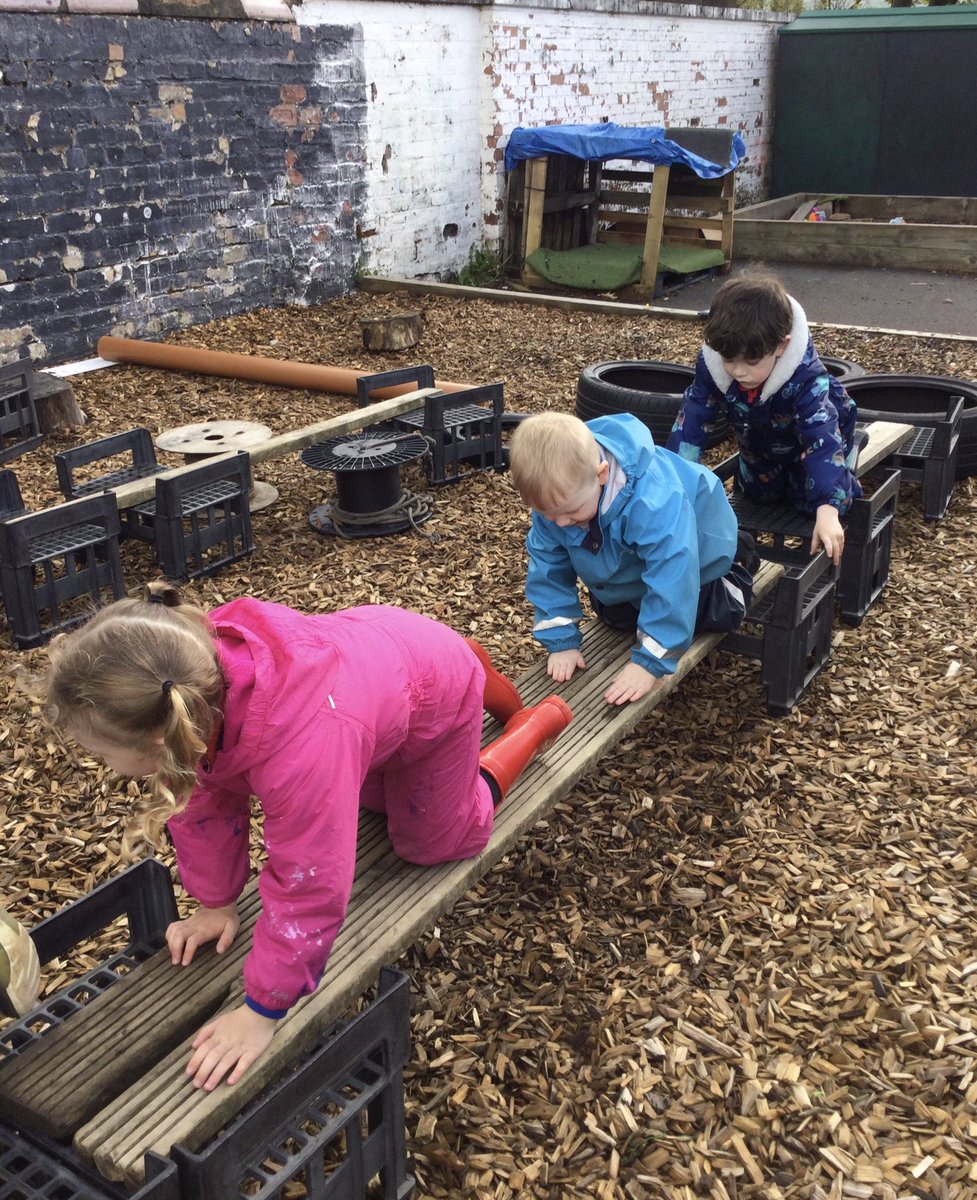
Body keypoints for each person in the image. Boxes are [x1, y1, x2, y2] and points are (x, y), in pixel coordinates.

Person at [44, 583, 572, 1090]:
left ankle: (531, 721)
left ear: (157, 738)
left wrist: (263, 1008)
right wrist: (215, 903)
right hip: (378, 658)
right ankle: (451, 650)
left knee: (433, 839)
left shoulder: (302, 750)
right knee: (363, 799)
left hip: (431, 694)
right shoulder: (190, 683)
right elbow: (203, 802)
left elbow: (310, 882)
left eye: (103, 753)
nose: (104, 764)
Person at [508, 411, 752, 706]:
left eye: (570, 513)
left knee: (713, 612)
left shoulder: (654, 500)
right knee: (614, 616)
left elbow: (673, 571)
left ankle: (740, 560)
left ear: (602, 475)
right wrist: (561, 641)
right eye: (548, 514)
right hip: (627, 567)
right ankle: (637, 602)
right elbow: (548, 567)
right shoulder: (561, 498)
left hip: (699, 550)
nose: (559, 522)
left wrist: (649, 663)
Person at [666, 272, 861, 567]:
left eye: (751, 362)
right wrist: (672, 483)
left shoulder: (806, 379)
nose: (739, 371)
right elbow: (692, 420)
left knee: (809, 500)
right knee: (759, 495)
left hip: (810, 440)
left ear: (782, 347)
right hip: (759, 437)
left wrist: (828, 507)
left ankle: (839, 482)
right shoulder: (714, 366)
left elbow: (821, 438)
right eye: (729, 360)